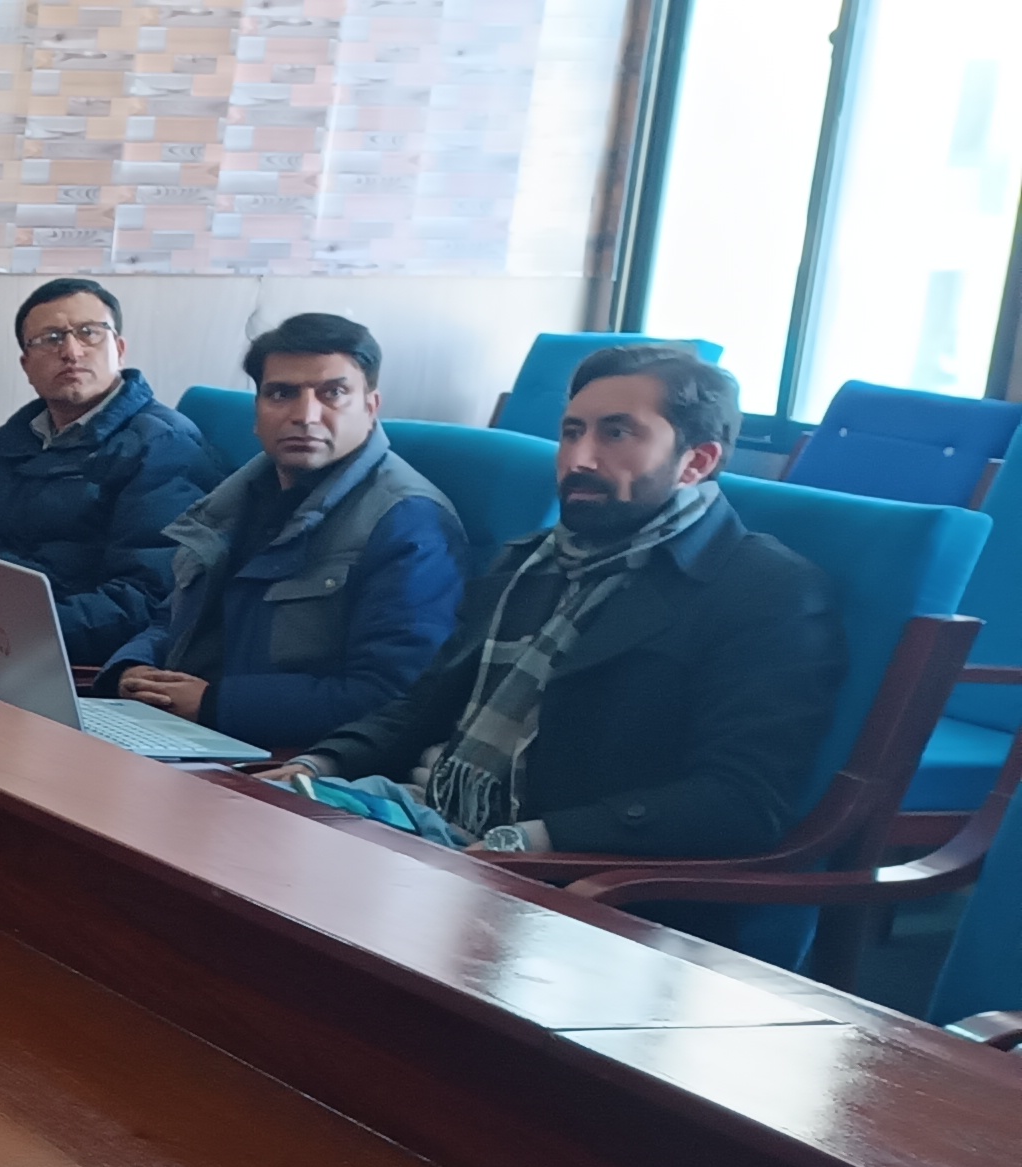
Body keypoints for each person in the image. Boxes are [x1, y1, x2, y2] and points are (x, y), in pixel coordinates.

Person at [278, 340, 845, 872]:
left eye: (616, 433)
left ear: (696, 461)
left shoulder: (768, 592)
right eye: (572, 432)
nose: (579, 458)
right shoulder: (531, 561)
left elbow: (741, 801)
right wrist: (319, 764)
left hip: (565, 877)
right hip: (422, 823)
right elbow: (422, 706)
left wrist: (532, 841)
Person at [91, 313, 466, 752]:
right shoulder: (235, 498)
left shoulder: (409, 522)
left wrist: (215, 704)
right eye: (282, 394)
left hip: (284, 755)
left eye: (333, 393)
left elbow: (394, 696)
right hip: (177, 730)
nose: (305, 415)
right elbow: (174, 617)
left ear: (371, 407)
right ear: (257, 413)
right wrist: (132, 669)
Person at [0, 278, 220, 664]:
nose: (71, 352)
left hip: (61, 661)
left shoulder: (163, 446)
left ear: (119, 349)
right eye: (51, 339)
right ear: (26, 366)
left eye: (89, 333)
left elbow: (148, 599)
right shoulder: (13, 440)